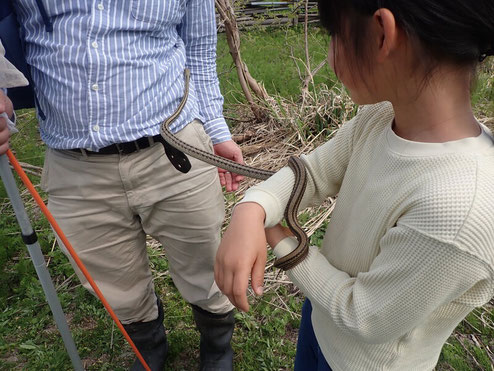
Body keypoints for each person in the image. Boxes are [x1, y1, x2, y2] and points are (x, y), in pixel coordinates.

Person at [215, 1, 494, 370]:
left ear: (381, 32)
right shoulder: (380, 119)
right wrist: (253, 208)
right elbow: (311, 173)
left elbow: (364, 315)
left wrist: (279, 238)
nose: (330, 54)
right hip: (321, 321)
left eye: (334, 35)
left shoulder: (460, 208)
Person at [2, 1, 244, 370]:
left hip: (174, 147)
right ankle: (149, 345)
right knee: (113, 281)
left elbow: (198, 50)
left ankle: (216, 343)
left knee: (206, 262)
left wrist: (216, 129)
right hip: (74, 164)